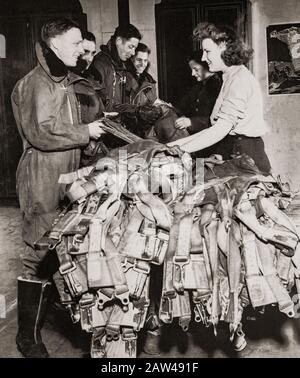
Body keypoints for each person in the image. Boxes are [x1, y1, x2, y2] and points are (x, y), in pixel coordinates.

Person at [11, 18, 105, 358]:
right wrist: (85, 134)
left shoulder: (62, 79)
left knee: (60, 244)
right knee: (38, 250)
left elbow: (66, 125)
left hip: (66, 171)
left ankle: (58, 314)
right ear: (54, 45)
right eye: (77, 41)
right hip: (42, 173)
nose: (82, 48)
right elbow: (41, 132)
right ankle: (27, 337)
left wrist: (89, 144)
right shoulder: (36, 83)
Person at [168, 23, 271, 174]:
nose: (204, 57)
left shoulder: (239, 80)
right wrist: (172, 147)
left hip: (247, 159)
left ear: (223, 46)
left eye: (207, 51)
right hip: (236, 152)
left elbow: (220, 130)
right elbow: (213, 129)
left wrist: (178, 150)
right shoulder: (230, 76)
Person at [91, 24, 161, 147]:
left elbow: (119, 104)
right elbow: (100, 108)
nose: (132, 52)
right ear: (118, 41)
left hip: (117, 131)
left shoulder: (122, 66)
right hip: (102, 135)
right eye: (130, 47)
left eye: (135, 48)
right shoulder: (101, 64)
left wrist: (137, 110)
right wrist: (137, 111)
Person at [174, 51, 222, 157]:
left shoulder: (218, 87)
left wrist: (191, 122)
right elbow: (183, 107)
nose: (192, 74)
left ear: (207, 66)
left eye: (196, 69)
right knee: (198, 170)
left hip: (213, 146)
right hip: (199, 142)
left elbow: (218, 122)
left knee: (203, 170)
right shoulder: (198, 86)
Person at [125, 42, 159, 138]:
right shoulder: (123, 79)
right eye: (139, 60)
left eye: (145, 60)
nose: (142, 64)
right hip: (127, 131)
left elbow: (153, 103)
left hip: (146, 132)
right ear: (131, 59)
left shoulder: (149, 80)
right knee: (123, 153)